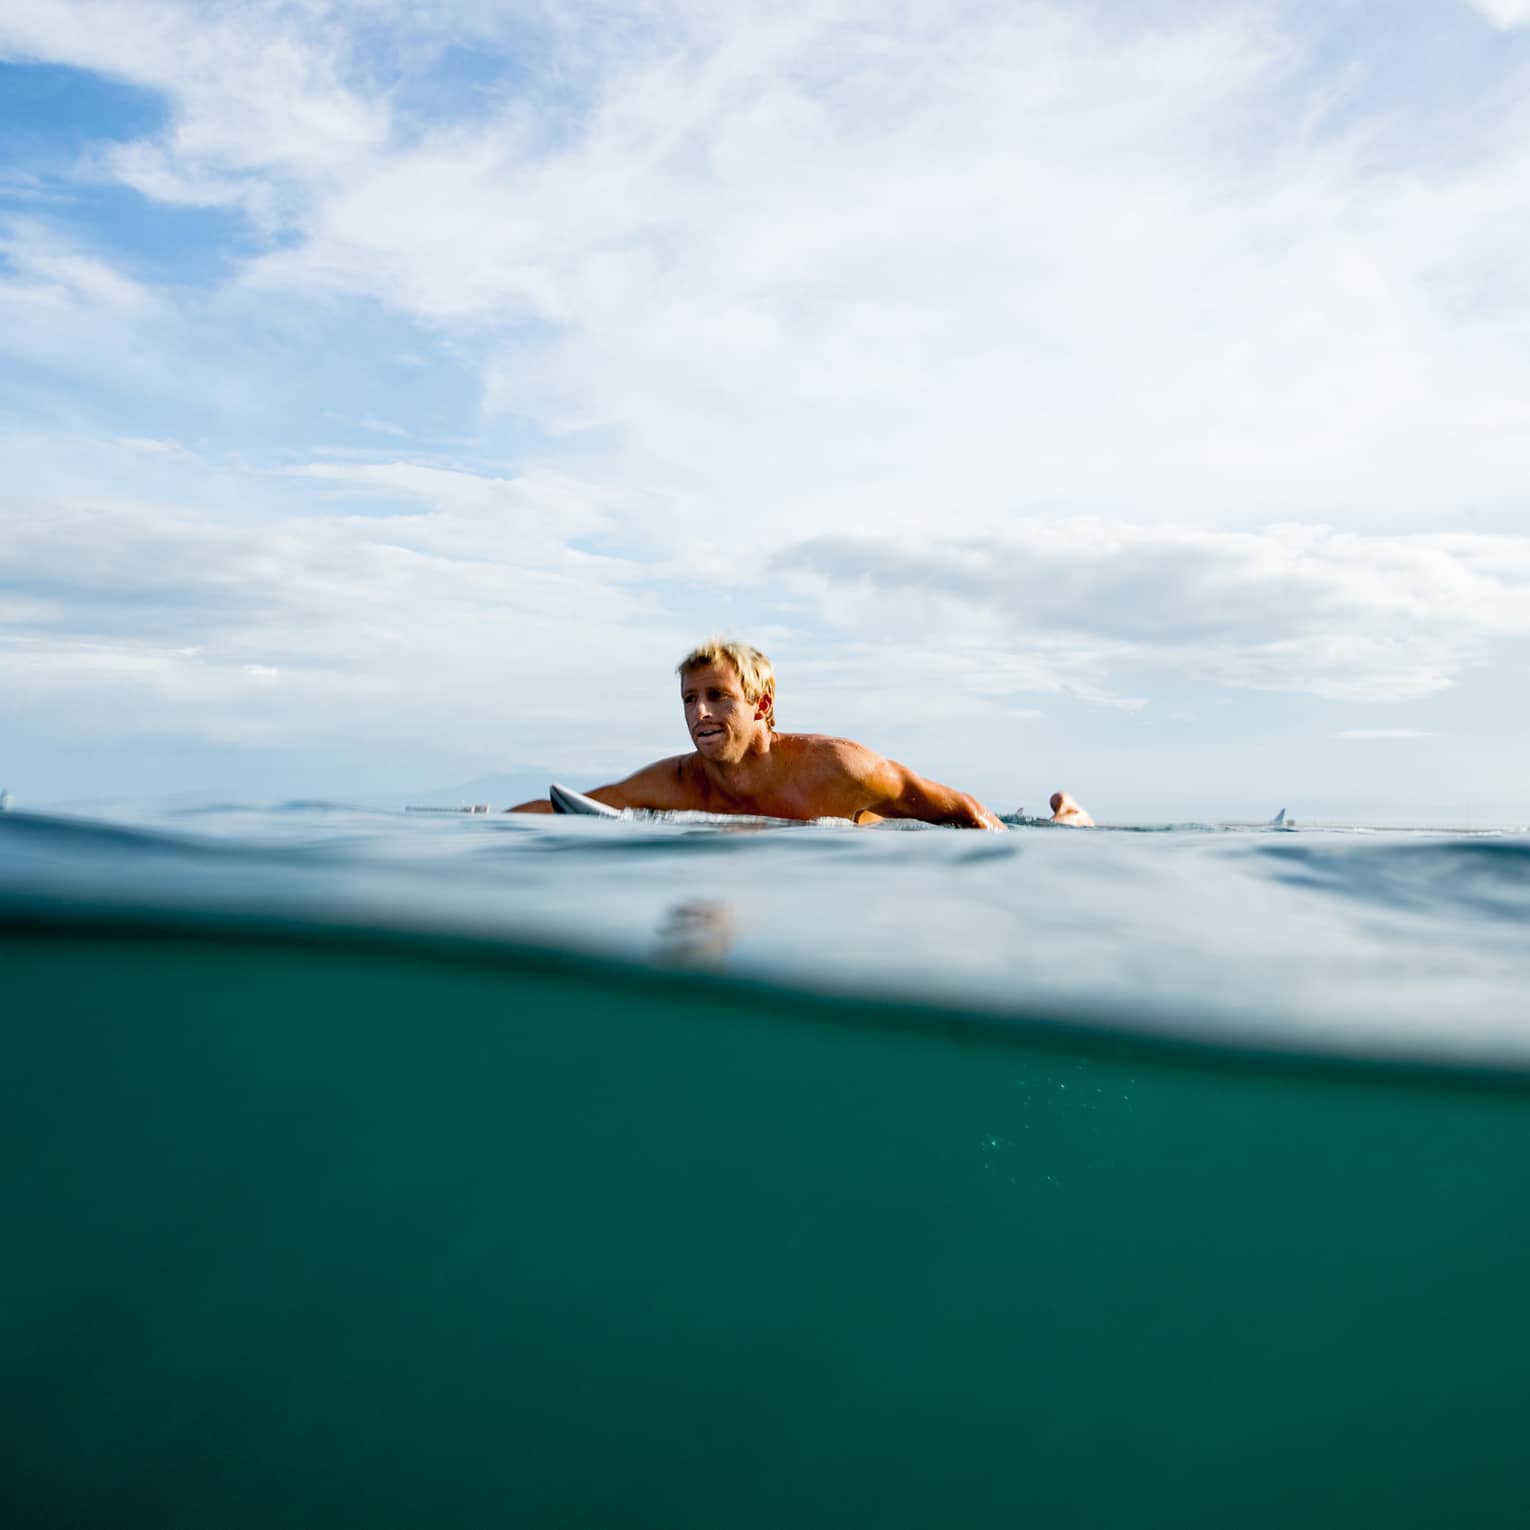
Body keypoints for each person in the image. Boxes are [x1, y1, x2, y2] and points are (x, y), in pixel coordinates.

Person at [509, 639, 1005, 828]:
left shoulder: (838, 769)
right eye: (689, 699)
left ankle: (1068, 817)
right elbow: (570, 809)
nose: (700, 712)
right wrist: (494, 821)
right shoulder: (677, 784)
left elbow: (965, 811)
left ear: (761, 705)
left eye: (718, 696)